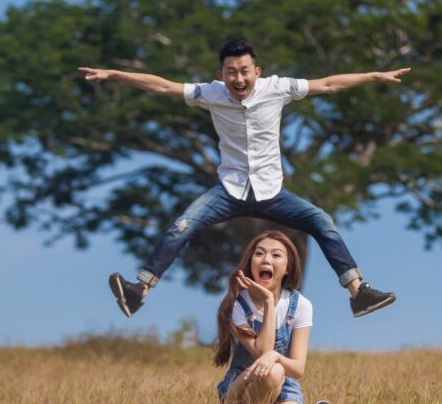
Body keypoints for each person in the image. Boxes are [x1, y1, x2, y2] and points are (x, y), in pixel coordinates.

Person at [78, 37, 410, 319]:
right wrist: (116, 74)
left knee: (322, 221)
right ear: (221, 75)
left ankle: (358, 293)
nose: (238, 79)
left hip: (271, 193)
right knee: (182, 225)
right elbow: (163, 86)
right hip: (229, 191)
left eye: (244, 72)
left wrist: (372, 76)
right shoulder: (211, 94)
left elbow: (328, 83)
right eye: (231, 72)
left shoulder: (278, 88)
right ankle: (139, 290)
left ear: (257, 72)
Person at [213, 230, 331, 404]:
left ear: (287, 268)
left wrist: (275, 357)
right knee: (273, 372)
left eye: (276, 255)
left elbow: (297, 369)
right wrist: (268, 301)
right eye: (259, 254)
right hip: (240, 387)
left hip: (285, 388)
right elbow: (262, 353)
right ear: (251, 263)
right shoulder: (237, 305)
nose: (266, 259)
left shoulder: (300, 305)